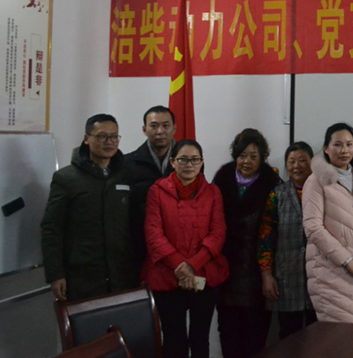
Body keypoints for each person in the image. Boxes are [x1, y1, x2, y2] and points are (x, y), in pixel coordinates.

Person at [142, 139, 228, 358]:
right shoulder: (157, 191)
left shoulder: (213, 192)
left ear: (202, 162)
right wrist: (180, 265)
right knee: (173, 341)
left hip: (205, 275)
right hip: (167, 276)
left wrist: (192, 265)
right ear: (172, 162)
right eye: (183, 159)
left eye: (194, 160)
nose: (189, 165)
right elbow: (153, 233)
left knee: (200, 339)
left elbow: (218, 233)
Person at [41, 113, 138, 302]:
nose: (109, 142)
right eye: (102, 136)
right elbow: (51, 228)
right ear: (87, 139)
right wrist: (55, 274)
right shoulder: (66, 178)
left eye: (114, 136)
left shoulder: (125, 176)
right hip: (82, 276)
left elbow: (134, 225)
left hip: (122, 274)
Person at [302, 122, 353, 323]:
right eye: (337, 144)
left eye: (349, 144)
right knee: (345, 336)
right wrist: (348, 261)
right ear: (326, 148)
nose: (344, 150)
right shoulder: (316, 181)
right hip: (330, 273)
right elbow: (313, 228)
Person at [212, 128, 281, 358]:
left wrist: (268, 272)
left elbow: (274, 230)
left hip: (258, 272)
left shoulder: (272, 183)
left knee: (255, 337)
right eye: (242, 156)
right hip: (226, 271)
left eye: (253, 156)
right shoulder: (222, 178)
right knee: (228, 334)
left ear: (262, 157)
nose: (246, 161)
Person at [258, 141, 317, 339]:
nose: (296, 166)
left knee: (320, 338)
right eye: (291, 161)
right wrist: (267, 275)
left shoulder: (324, 193)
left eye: (302, 160)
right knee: (289, 337)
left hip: (318, 278)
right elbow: (265, 238)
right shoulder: (277, 195)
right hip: (286, 279)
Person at [127, 105, 177, 267]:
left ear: (174, 128)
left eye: (166, 125)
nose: (160, 131)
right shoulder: (128, 163)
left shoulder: (189, 162)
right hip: (141, 245)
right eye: (154, 126)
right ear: (144, 130)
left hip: (179, 244)